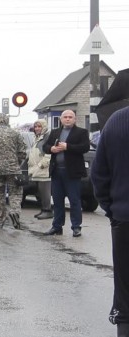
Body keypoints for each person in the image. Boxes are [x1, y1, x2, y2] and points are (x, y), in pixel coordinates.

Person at [91, 106, 129, 336]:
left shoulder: (116, 121)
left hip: (124, 217)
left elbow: (99, 174)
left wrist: (113, 210)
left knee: (125, 289)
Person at [42, 109, 90, 237]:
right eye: (65, 117)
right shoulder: (55, 132)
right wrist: (51, 148)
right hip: (57, 171)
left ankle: (76, 227)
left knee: (74, 200)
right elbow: (45, 147)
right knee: (57, 201)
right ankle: (57, 226)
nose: (68, 119)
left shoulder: (81, 132)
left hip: (72, 173)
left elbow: (85, 147)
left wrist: (67, 147)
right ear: (61, 119)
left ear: (75, 119)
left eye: (70, 117)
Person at [28, 119, 53, 220]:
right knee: (40, 191)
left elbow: (49, 152)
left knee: (45, 191)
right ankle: (43, 209)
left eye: (39, 126)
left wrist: (42, 164)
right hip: (37, 169)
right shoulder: (37, 137)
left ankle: (48, 210)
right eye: (36, 127)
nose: (37, 128)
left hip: (43, 169)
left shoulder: (47, 137)